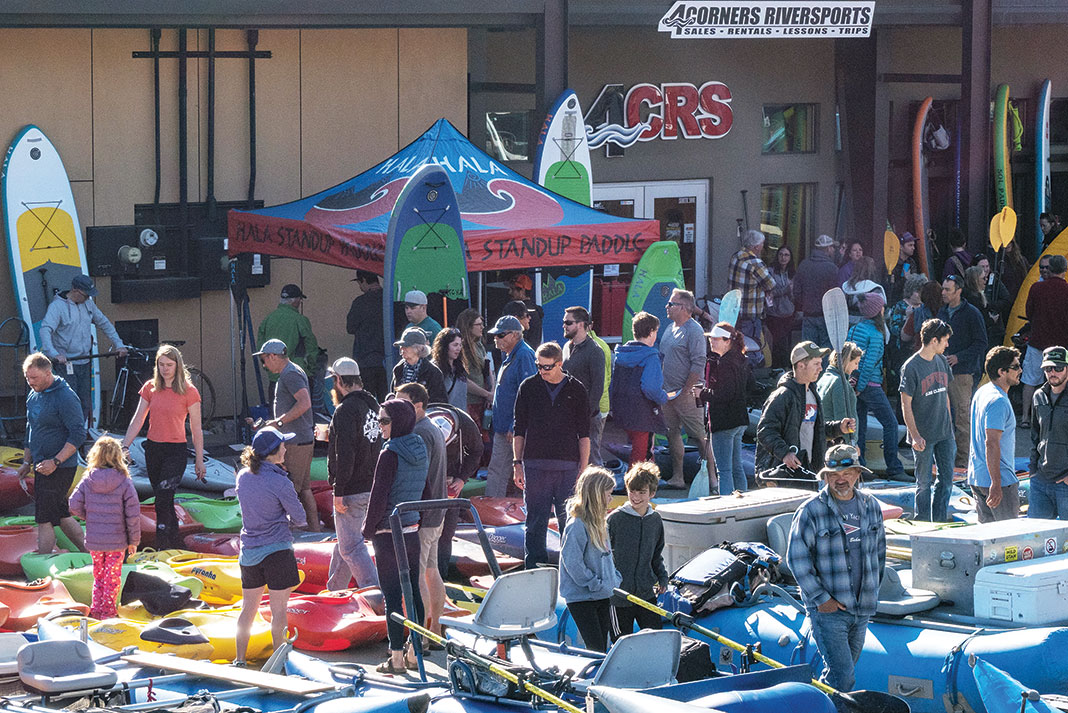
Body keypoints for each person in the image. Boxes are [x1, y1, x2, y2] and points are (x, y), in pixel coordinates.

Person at [787, 443, 885, 693]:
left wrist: (872, 592)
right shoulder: (810, 510)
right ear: (826, 477)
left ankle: (817, 705)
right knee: (843, 678)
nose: (841, 480)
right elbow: (796, 560)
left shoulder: (871, 505)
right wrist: (822, 600)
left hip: (861, 608)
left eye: (846, 473)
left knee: (839, 676)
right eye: (833, 475)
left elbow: (880, 554)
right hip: (829, 611)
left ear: (857, 474)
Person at [362, 399, 428, 674]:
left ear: (398, 422)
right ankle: (415, 653)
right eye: (379, 421)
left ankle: (397, 658)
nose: (380, 426)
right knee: (413, 591)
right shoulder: (420, 447)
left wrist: (367, 530)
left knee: (392, 595)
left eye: (385, 421)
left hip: (388, 531)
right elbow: (422, 488)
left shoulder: (389, 453)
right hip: (411, 528)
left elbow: (379, 496)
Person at [234, 426, 307, 666]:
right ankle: (279, 664)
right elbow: (300, 517)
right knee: (279, 612)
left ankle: (240, 660)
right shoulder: (279, 481)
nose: (286, 447)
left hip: (250, 552)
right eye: (283, 445)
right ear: (274, 452)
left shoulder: (242, 477)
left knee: (248, 610)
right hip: (277, 550)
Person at [121, 344, 206, 548]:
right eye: (161, 364)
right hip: (154, 449)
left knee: (164, 495)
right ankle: (174, 541)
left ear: (178, 365)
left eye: (169, 364)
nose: (165, 368)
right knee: (163, 499)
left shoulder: (189, 391)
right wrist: (124, 446)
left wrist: (200, 460)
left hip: (175, 451)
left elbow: (196, 428)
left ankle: (162, 542)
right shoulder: (150, 387)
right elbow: (138, 419)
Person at [514, 342, 590, 568]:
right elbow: (519, 429)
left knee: (569, 520)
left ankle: (570, 567)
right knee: (535, 520)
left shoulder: (577, 389)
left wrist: (583, 469)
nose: (542, 371)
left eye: (547, 367)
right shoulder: (528, 387)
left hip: (568, 465)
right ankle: (534, 567)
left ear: (560, 364)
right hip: (534, 464)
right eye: (539, 366)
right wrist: (517, 463)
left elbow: (584, 434)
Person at [18, 353, 87, 555]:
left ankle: (44, 557)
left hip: (60, 466)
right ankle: (89, 554)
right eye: (27, 378)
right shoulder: (34, 394)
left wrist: (56, 461)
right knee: (61, 513)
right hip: (41, 464)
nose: (30, 382)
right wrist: (26, 461)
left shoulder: (65, 396)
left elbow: (78, 433)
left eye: (35, 378)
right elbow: (31, 429)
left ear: (48, 374)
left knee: (44, 516)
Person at [394, 383, 447, 642]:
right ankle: (435, 630)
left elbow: (416, 477)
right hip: (436, 511)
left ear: (417, 406)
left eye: (401, 403)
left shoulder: (420, 433)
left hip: (423, 513)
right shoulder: (432, 428)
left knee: (417, 577)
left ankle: (424, 638)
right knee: (431, 571)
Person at [324, 357, 381, 592]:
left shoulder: (345, 410)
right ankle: (334, 589)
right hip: (374, 485)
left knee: (350, 547)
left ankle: (377, 592)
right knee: (345, 541)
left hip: (353, 489)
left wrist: (339, 490)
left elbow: (346, 452)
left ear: (338, 380)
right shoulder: (374, 405)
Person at [38, 274, 127, 423]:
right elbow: (45, 330)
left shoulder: (88, 304)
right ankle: (67, 437)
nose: (88, 298)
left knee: (85, 403)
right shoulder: (57, 307)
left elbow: (104, 323)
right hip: (65, 363)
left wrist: (119, 344)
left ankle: (79, 436)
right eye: (86, 295)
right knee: (69, 403)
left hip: (84, 361)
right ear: (75, 290)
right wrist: (53, 354)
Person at [756, 342, 854, 475]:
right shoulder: (782, 395)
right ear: (801, 365)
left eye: (820, 363)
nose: (820, 368)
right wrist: (785, 453)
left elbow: (814, 429)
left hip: (809, 468)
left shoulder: (813, 393)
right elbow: (765, 431)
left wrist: (839, 428)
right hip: (785, 472)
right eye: (816, 364)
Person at [252, 339, 320, 532]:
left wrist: (279, 422)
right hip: (302, 438)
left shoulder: (290, 374)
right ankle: (315, 532)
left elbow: (304, 402)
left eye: (264, 360)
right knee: (305, 489)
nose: (264, 365)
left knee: (291, 490)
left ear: (273, 356)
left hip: (296, 442)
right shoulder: (292, 371)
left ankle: (291, 534)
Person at [67, 435, 138, 620]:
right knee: (112, 578)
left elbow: (73, 504)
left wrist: (90, 517)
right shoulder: (124, 481)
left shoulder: (87, 480)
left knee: (98, 576)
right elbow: (133, 514)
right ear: (118, 456)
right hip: (117, 540)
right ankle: (108, 613)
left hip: (95, 540)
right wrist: (134, 541)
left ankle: (97, 610)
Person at [558, 466, 621, 653]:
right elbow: (572, 563)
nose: (610, 499)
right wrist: (595, 583)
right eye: (608, 494)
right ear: (596, 494)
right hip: (583, 597)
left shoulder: (600, 522)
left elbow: (607, 557)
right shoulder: (577, 525)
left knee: (603, 646)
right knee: (595, 647)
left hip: (602, 593)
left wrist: (614, 578)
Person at [900, 319, 955, 522]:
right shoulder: (911, 367)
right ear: (934, 340)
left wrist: (949, 425)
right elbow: (905, 404)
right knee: (923, 483)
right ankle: (922, 520)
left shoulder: (941, 361)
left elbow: (946, 395)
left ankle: (939, 519)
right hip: (922, 434)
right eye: (945, 340)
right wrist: (915, 435)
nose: (947, 345)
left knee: (947, 479)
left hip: (944, 433)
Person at [846, 291, 905, 480]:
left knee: (860, 425)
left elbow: (850, 359)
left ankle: (861, 467)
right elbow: (869, 363)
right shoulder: (877, 334)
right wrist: (861, 387)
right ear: (879, 311)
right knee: (891, 423)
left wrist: (854, 388)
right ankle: (894, 468)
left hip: (854, 384)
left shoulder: (853, 329)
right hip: (869, 384)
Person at [660, 289, 714, 488]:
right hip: (668, 393)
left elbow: (698, 363)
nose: (667, 307)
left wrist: (686, 390)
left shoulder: (694, 330)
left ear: (684, 308)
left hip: (689, 394)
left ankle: (712, 478)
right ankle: (678, 477)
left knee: (700, 436)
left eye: (671, 304)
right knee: (671, 432)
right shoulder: (669, 328)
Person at [607, 462, 668, 639]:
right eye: (632, 491)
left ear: (652, 493)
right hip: (619, 596)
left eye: (642, 492)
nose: (636, 497)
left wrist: (662, 577)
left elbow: (656, 554)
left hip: (646, 594)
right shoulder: (615, 519)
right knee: (621, 642)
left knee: (656, 637)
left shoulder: (655, 520)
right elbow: (603, 556)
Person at [697, 322, 754, 494]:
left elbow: (724, 394)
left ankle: (726, 508)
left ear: (727, 341)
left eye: (715, 339)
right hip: (740, 419)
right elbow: (751, 385)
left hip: (724, 421)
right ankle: (744, 504)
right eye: (711, 339)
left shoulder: (725, 363)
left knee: (724, 470)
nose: (711, 342)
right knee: (736, 467)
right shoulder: (741, 359)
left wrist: (702, 393)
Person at [968, 347, 1022, 523]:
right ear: (1001, 372)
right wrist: (996, 484)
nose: (1020, 370)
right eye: (1016, 367)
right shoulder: (998, 401)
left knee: (988, 543)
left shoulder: (982, 392)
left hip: (977, 477)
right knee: (1008, 541)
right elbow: (991, 443)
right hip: (999, 480)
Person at [937, 275, 987, 468]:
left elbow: (981, 343)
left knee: (962, 419)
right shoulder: (941, 312)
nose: (943, 293)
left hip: (962, 373)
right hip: (941, 372)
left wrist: (959, 357)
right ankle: (945, 461)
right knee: (943, 418)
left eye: (947, 289)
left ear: (959, 291)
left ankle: (963, 464)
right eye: (943, 289)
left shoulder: (972, 313)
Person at [485, 316, 536, 497]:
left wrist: (514, 426)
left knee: (500, 471)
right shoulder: (512, 355)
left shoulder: (523, 355)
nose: (496, 339)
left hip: (512, 430)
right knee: (504, 472)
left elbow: (528, 395)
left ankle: (492, 511)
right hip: (506, 427)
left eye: (500, 335)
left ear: (515, 335)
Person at [611, 311, 669, 465]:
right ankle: (640, 487)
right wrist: (664, 397)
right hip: (644, 415)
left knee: (634, 454)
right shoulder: (651, 356)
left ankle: (635, 484)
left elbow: (614, 384)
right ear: (651, 332)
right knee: (642, 458)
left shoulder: (620, 354)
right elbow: (650, 388)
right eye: (656, 331)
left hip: (624, 412)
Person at [258, 284, 326, 412]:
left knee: (276, 415)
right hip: (297, 377)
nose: (300, 302)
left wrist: (268, 368)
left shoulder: (268, 319)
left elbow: (261, 348)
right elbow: (311, 348)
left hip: (274, 377)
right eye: (300, 299)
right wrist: (311, 370)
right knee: (300, 416)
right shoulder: (300, 320)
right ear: (295, 301)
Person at [1022, 255, 1068, 429]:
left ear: (1050, 269)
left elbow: (1028, 313)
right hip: (1062, 345)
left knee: (1030, 381)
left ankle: (1025, 417)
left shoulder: (1036, 288)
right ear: (1065, 270)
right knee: (1060, 382)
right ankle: (1057, 420)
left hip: (1038, 342)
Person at [563, 306, 606, 465]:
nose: (564, 326)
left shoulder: (595, 351)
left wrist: (585, 413)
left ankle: (600, 489)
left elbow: (597, 387)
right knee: (572, 457)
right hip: (568, 413)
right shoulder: (567, 347)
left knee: (592, 458)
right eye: (564, 322)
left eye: (568, 322)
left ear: (581, 324)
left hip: (588, 416)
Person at [1030, 346, 1068, 519]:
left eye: (1058, 368)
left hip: (1065, 482)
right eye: (1048, 368)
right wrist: (1032, 471)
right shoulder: (1038, 396)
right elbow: (1034, 437)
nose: (1053, 372)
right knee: (1036, 541)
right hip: (1040, 480)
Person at [727, 230, 776, 366]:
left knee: (737, 347)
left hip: (735, 312)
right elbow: (771, 284)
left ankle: (740, 377)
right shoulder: (755, 263)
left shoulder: (735, 257)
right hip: (750, 313)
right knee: (751, 349)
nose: (762, 247)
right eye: (762, 244)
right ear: (756, 247)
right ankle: (750, 380)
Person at [886, 273, 927, 407]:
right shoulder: (900, 306)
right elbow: (894, 329)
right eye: (917, 291)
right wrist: (908, 318)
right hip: (903, 352)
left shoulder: (925, 308)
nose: (919, 295)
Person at [793, 234, 840, 349]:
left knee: (809, 350)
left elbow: (796, 292)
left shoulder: (803, 265)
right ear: (828, 248)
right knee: (826, 350)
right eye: (832, 247)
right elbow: (836, 295)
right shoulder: (832, 268)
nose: (834, 250)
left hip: (808, 315)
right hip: (826, 317)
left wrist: (806, 304)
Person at [346, 270, 387, 401]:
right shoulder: (389, 299)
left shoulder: (360, 303)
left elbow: (350, 328)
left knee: (365, 402)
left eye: (359, 282)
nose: (360, 286)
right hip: (387, 361)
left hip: (365, 361)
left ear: (363, 280)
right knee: (386, 400)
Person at [816, 342, 863, 448]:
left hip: (826, 439)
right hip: (839, 444)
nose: (857, 367)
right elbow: (843, 416)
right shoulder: (839, 383)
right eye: (856, 363)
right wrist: (851, 444)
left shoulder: (825, 378)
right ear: (846, 361)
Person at [455, 308, 494, 427]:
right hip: (469, 402)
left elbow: (488, 371)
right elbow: (463, 380)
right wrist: (487, 394)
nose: (482, 327)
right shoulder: (460, 348)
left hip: (483, 401)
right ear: (468, 326)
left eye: (482, 324)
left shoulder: (479, 344)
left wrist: (491, 392)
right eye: (478, 324)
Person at [390, 328, 448, 404]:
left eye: (406, 346)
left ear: (418, 348)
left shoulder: (433, 372)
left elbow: (439, 401)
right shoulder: (398, 369)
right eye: (401, 346)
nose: (402, 349)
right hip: (401, 414)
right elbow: (393, 392)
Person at [766, 245, 798, 368]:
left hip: (788, 312)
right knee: (778, 342)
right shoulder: (770, 271)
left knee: (786, 342)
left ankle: (785, 367)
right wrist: (785, 289)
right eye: (781, 254)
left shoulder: (792, 273)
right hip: (774, 313)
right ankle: (777, 367)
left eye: (786, 255)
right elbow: (770, 292)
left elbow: (794, 292)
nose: (783, 258)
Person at [972, 254, 1011, 347]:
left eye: (987, 266)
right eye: (982, 266)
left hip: (994, 328)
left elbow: (1006, 299)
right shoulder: (971, 284)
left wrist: (990, 305)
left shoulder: (995, 281)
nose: (985, 269)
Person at [431, 328, 468, 411]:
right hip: (444, 417)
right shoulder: (434, 368)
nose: (459, 348)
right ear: (444, 346)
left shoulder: (459, 366)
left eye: (460, 345)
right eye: (455, 345)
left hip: (461, 416)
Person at [507, 273, 543, 345]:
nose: (510, 292)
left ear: (522, 291)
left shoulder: (518, 309)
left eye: (513, 289)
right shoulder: (536, 309)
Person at [887, 232, 919, 305]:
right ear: (901, 247)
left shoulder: (911, 262)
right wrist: (904, 279)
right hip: (894, 303)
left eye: (913, 245)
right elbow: (890, 288)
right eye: (910, 245)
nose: (913, 248)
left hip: (909, 302)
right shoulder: (891, 263)